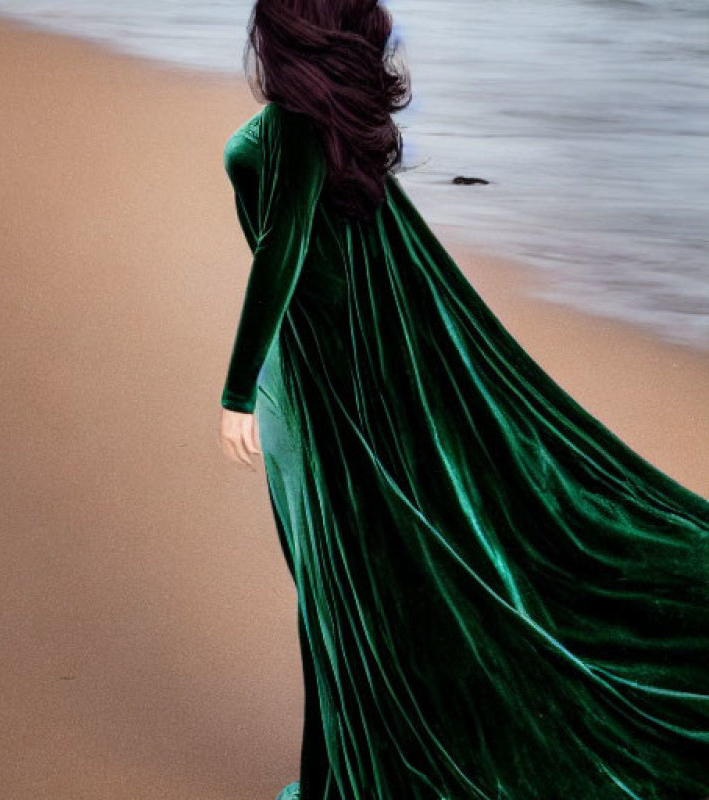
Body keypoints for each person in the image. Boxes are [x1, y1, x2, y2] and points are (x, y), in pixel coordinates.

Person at [215, 1, 709, 798]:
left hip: (326, 383)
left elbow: (283, 247)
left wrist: (237, 391)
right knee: (342, 563)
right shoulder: (322, 119)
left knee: (342, 561)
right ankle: (344, 746)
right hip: (334, 365)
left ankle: (352, 758)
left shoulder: (300, 126)